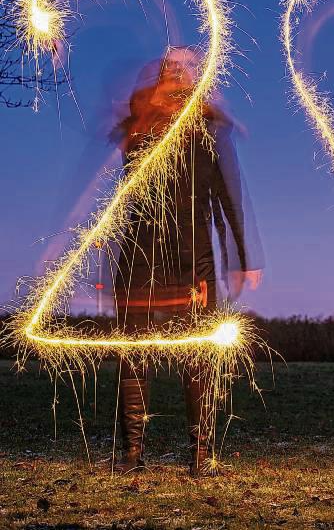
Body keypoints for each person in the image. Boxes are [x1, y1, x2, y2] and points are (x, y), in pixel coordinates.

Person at [111, 46, 262, 476]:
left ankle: (200, 454)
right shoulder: (140, 121)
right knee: (133, 352)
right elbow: (128, 177)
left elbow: (229, 193)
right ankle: (132, 453)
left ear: (200, 74)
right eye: (172, 66)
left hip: (192, 258)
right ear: (161, 73)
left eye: (188, 66)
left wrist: (243, 255)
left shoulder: (209, 126)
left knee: (199, 354)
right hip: (140, 254)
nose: (179, 72)